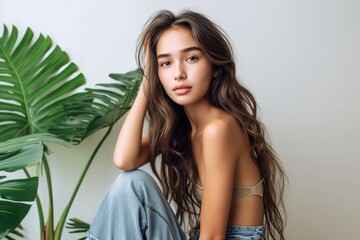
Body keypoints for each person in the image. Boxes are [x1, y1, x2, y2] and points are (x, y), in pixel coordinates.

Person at [87, 9, 286, 240]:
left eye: (191, 58)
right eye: (165, 63)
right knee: (131, 182)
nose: (178, 74)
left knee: (132, 185)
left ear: (214, 66)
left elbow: (212, 236)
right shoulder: (180, 126)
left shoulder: (219, 129)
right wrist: (146, 87)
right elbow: (125, 160)